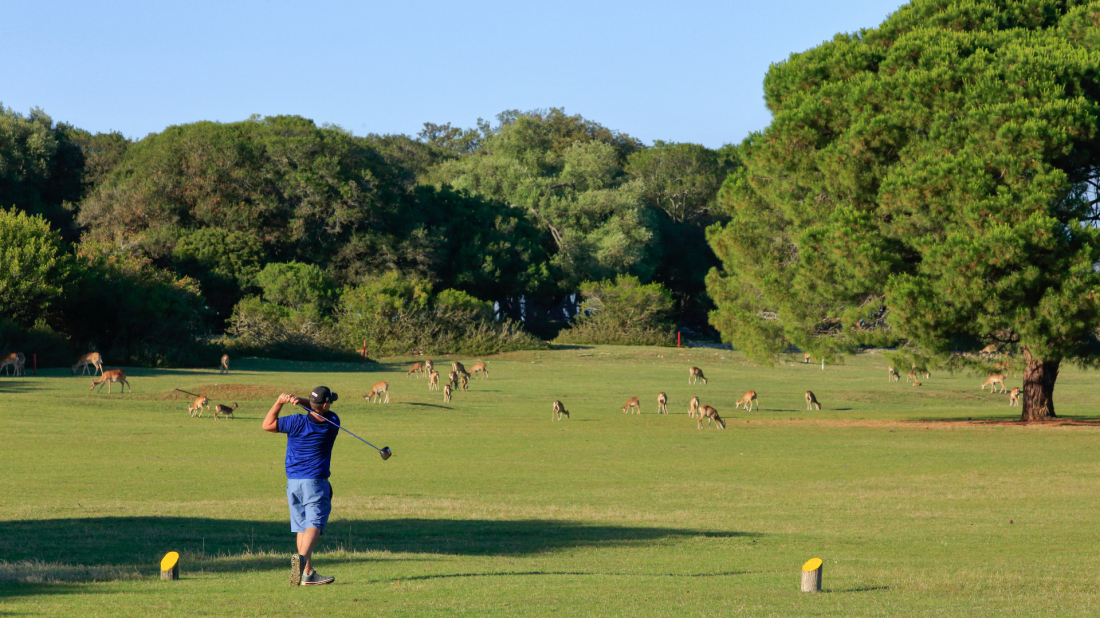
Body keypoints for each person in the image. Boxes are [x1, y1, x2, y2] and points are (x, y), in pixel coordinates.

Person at [263, 387, 341, 586]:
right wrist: (302, 401)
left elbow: (267, 425)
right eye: (329, 402)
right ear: (325, 405)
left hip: (293, 483)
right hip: (315, 482)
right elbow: (317, 410)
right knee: (314, 524)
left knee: (302, 527)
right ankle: (302, 560)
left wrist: (280, 402)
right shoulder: (332, 421)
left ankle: (307, 573)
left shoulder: (296, 421)